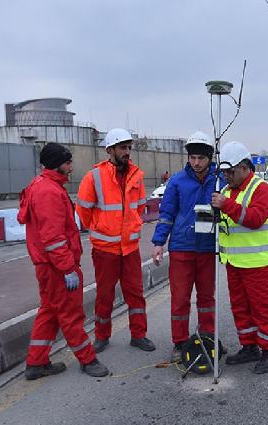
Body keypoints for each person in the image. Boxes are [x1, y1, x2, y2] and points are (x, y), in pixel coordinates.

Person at [17, 143, 109, 379]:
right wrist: (67, 268)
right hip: (58, 267)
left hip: (48, 266)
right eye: (68, 163)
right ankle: (88, 359)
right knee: (70, 314)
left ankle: (36, 363)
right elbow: (54, 237)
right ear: (56, 164)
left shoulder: (41, 186)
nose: (71, 167)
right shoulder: (49, 192)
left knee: (49, 311)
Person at [76, 128, 155, 354]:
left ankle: (139, 335)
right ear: (110, 150)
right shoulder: (94, 177)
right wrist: (102, 228)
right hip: (105, 248)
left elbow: (139, 207)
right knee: (105, 294)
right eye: (123, 147)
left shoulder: (137, 176)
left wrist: (131, 228)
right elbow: (83, 210)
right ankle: (102, 336)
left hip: (129, 247)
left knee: (135, 293)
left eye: (129, 147)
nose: (127, 151)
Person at [151, 131, 224, 362]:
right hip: (182, 247)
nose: (196, 162)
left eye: (201, 158)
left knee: (206, 297)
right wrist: (158, 243)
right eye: (192, 157)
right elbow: (167, 214)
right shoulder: (177, 181)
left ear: (209, 158)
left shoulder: (219, 180)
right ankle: (180, 342)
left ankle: (207, 337)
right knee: (180, 298)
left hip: (207, 249)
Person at [211, 141, 268, 374]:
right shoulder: (226, 191)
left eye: (230, 172)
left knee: (263, 308)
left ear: (244, 167)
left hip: (258, 263)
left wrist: (226, 205)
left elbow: (254, 218)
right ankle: (249, 347)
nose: (227, 176)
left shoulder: (262, 189)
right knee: (240, 308)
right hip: (234, 262)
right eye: (224, 172)